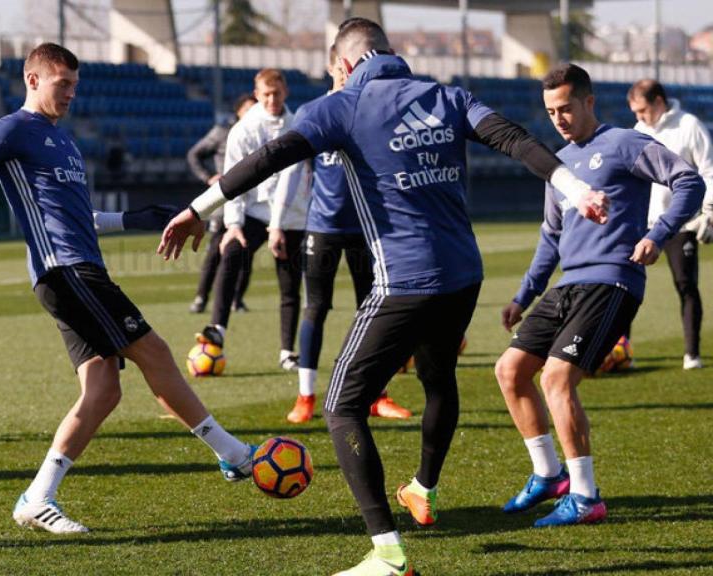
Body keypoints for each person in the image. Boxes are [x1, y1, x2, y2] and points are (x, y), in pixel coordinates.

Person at [160, 18, 610, 576]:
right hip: (465, 276)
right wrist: (577, 188)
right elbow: (515, 139)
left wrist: (194, 210)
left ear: (344, 66)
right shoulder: (446, 95)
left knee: (343, 407)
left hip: (405, 280)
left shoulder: (340, 105)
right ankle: (423, 487)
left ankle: (388, 554)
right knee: (438, 376)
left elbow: (265, 160)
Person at [0, 43, 255, 534]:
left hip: (77, 267)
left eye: (75, 84)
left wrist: (144, 218)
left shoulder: (63, 140)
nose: (71, 93)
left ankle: (37, 496)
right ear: (33, 81)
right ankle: (235, 455)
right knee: (155, 351)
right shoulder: (12, 129)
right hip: (65, 271)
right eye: (62, 84)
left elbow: (84, 218)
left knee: (103, 390)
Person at [494, 64, 704, 529]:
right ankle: (549, 475)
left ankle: (586, 498)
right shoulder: (558, 164)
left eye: (566, 107)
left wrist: (659, 232)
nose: (559, 118)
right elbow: (550, 236)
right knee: (509, 371)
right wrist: (522, 295)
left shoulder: (624, 144)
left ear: (589, 102)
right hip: (567, 285)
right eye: (551, 111)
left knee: (555, 379)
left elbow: (689, 180)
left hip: (611, 282)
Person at [272, 44, 410, 424]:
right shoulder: (315, 113)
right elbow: (291, 170)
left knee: (374, 310)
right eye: (341, 68)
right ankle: (306, 396)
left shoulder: (371, 112)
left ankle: (377, 394)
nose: (347, 74)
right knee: (315, 307)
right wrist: (276, 222)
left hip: (367, 228)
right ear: (334, 67)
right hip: (324, 227)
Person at [197, 68, 306, 371]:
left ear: (286, 93)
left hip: (291, 215)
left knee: (289, 283)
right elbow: (233, 179)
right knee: (230, 253)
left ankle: (287, 351)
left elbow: (290, 179)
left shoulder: (296, 125)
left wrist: (279, 225)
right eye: (266, 94)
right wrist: (233, 224)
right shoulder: (243, 130)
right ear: (257, 95)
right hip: (254, 212)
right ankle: (217, 328)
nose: (272, 100)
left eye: (277, 94)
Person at [626, 79, 713, 370]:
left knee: (686, 284)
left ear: (659, 102)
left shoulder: (689, 126)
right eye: (635, 112)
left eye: (642, 110)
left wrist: (709, 212)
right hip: (643, 224)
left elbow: (709, 171)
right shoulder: (638, 132)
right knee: (623, 286)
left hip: (681, 223)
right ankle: (621, 352)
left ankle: (692, 354)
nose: (638, 117)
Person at [185, 93, 257, 314]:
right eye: (248, 109)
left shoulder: (261, 133)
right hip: (224, 200)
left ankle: (237, 299)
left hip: (251, 201)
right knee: (215, 251)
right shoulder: (223, 132)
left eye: (255, 109)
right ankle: (201, 298)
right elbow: (194, 154)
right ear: (238, 111)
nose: (252, 113)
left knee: (246, 250)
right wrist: (208, 177)